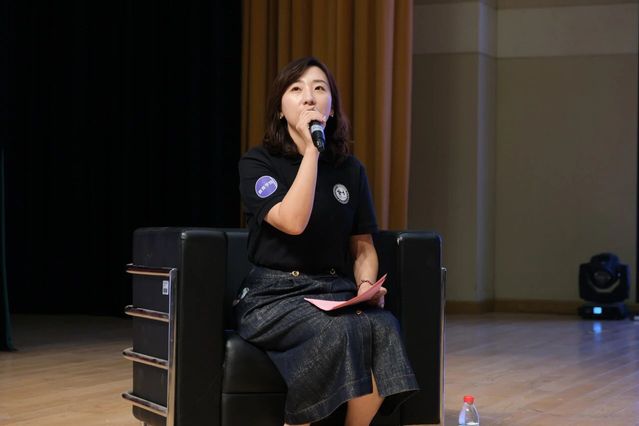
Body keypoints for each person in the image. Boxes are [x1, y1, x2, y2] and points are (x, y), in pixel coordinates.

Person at [235, 56, 418, 426]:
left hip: (333, 290)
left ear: (331, 108)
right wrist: (311, 153)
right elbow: (292, 222)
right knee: (342, 331)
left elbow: (362, 244)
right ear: (280, 110)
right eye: (296, 89)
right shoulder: (258, 163)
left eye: (319, 88)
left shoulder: (350, 170)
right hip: (272, 297)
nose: (309, 97)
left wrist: (365, 286)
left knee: (382, 326)